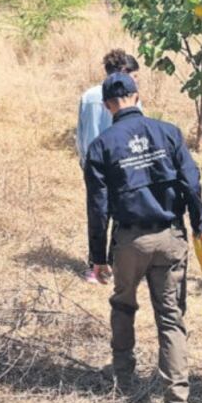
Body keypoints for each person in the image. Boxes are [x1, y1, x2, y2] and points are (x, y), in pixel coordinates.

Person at [84, 73, 202, 403]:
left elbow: (97, 207)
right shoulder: (168, 132)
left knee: (123, 306)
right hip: (170, 237)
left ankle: (123, 377)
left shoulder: (102, 146)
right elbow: (192, 182)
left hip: (129, 243)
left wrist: (97, 256)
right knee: (170, 319)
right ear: (138, 96)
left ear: (107, 105)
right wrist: (198, 224)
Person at [76, 49, 141, 284]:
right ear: (123, 72)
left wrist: (85, 161)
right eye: (134, 76)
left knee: (97, 213)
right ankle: (111, 263)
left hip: (93, 163)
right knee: (120, 213)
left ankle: (95, 264)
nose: (136, 81)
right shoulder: (131, 98)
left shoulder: (88, 96)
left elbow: (81, 134)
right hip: (121, 162)